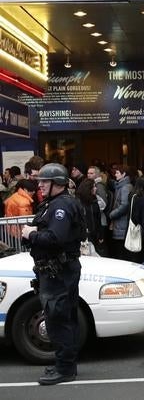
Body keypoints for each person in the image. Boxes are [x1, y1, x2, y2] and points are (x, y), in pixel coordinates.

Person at [20, 163, 85, 385]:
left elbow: (55, 238)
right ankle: (65, 364)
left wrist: (31, 234)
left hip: (58, 271)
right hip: (56, 270)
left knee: (58, 319)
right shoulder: (53, 204)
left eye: (44, 182)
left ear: (57, 183)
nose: (40, 186)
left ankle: (65, 369)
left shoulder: (61, 207)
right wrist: (32, 234)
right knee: (63, 317)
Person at [108, 164, 133, 260]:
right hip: (121, 223)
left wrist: (112, 214)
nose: (115, 174)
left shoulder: (125, 187)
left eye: (117, 172)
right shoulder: (121, 186)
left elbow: (124, 205)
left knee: (121, 251)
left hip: (121, 223)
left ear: (124, 174)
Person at [76, 178, 104, 256]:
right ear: (88, 189)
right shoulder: (78, 202)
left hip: (93, 235)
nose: (96, 188)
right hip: (83, 238)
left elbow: (98, 219)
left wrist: (100, 235)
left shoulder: (94, 201)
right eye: (94, 186)